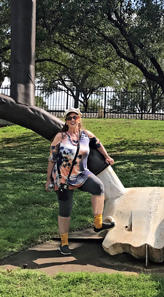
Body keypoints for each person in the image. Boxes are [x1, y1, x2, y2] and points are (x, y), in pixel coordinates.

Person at [46, 108, 115, 255]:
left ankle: (98, 223)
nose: (72, 119)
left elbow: (98, 144)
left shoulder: (86, 135)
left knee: (98, 187)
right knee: (65, 210)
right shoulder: (60, 136)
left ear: (79, 119)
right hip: (63, 178)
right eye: (69, 117)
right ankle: (64, 243)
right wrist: (48, 180)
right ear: (65, 120)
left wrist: (107, 157)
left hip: (82, 174)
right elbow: (52, 159)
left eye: (75, 117)